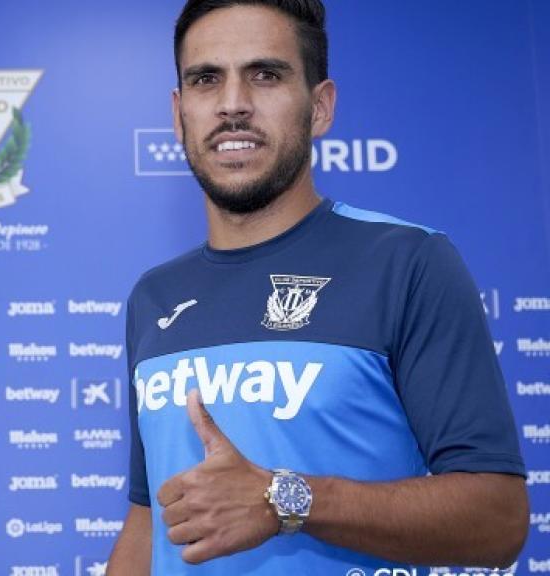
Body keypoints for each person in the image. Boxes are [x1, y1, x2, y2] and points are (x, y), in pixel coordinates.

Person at [106, 1, 529, 574]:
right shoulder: (153, 298)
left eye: (266, 74)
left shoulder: (406, 261)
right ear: (179, 114)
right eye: (206, 79)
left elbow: (498, 519)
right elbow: (146, 521)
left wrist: (284, 499)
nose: (233, 104)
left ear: (321, 107)